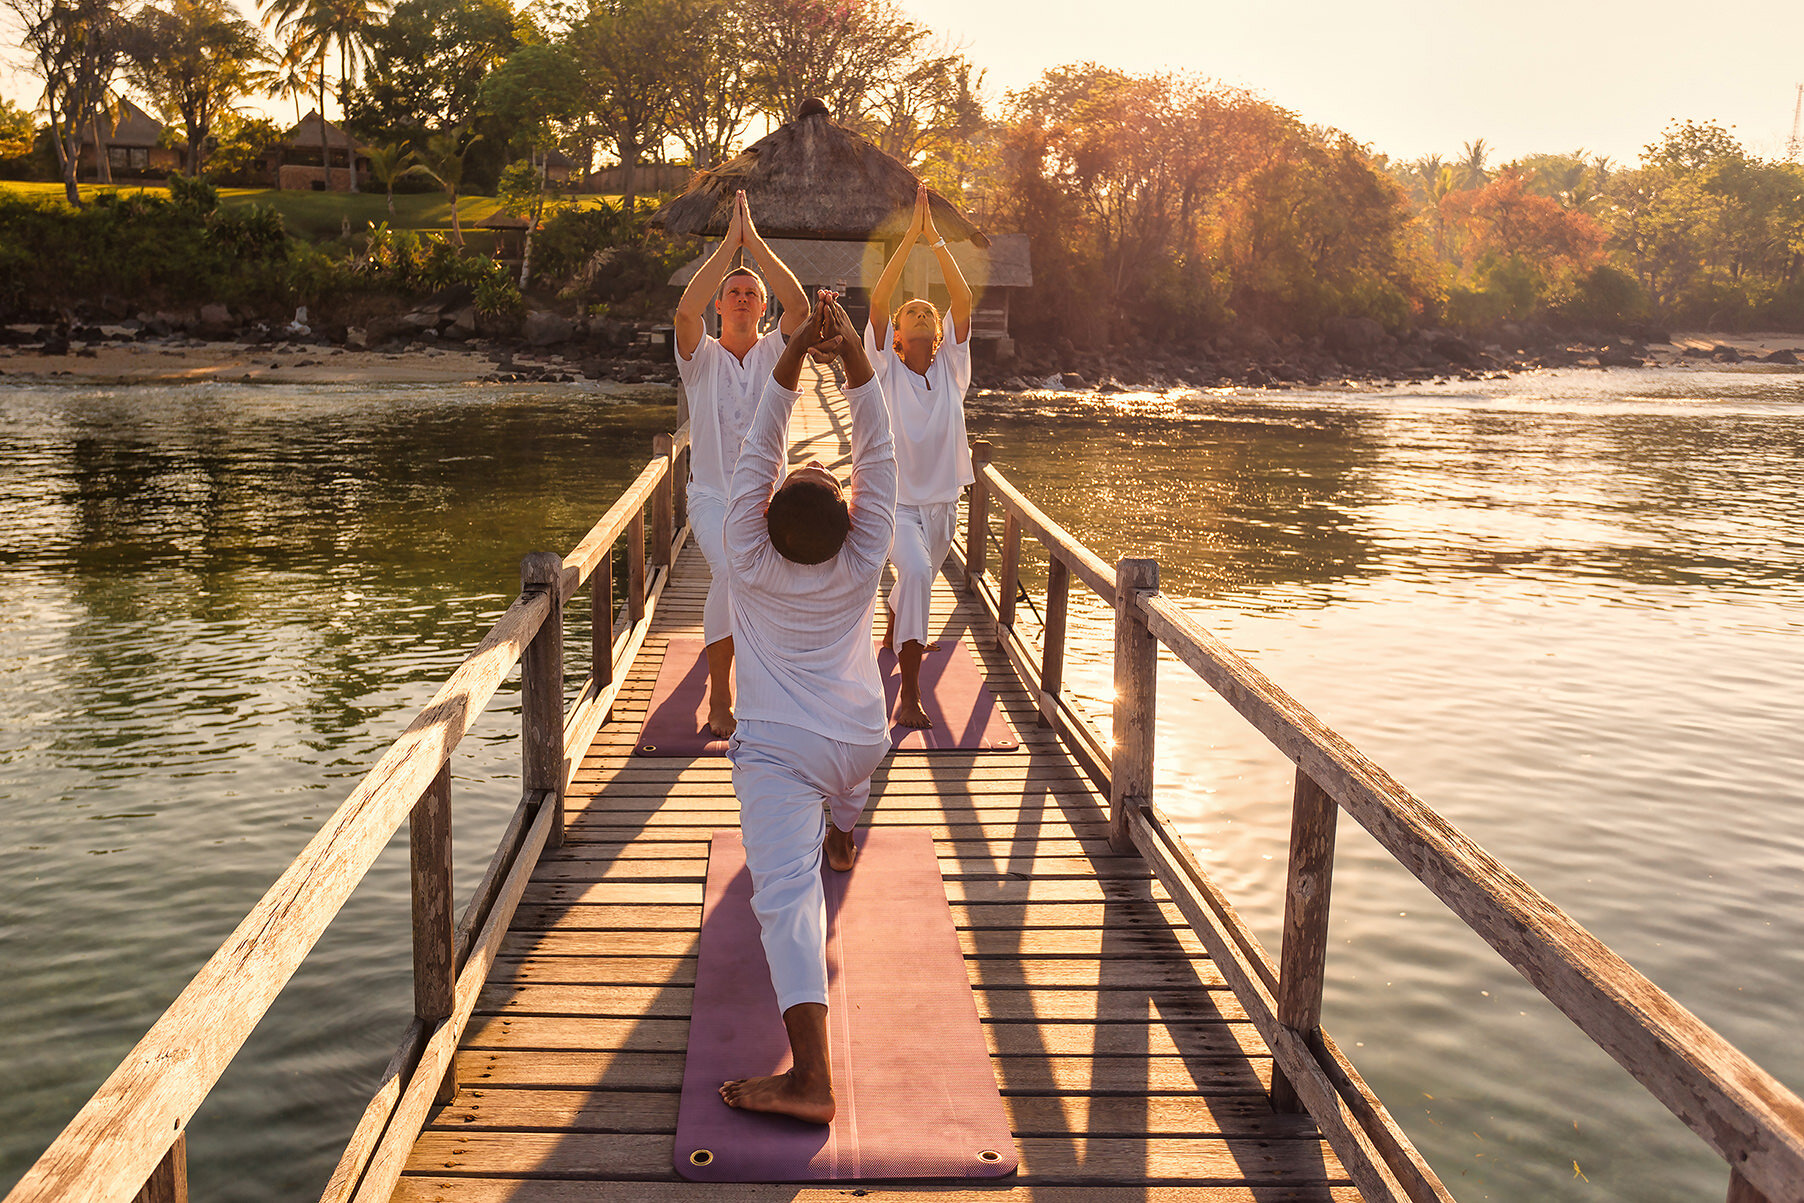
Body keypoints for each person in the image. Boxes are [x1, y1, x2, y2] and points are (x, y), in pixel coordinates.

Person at [716, 292, 896, 1124]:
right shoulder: (864, 558)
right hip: (861, 740)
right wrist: (852, 350)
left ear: (768, 514)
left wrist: (789, 352)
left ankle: (811, 1079)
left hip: (780, 750)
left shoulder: (745, 556)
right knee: (847, 792)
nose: (817, 465)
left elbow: (760, 440)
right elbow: (879, 445)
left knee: (789, 894)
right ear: (849, 513)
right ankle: (845, 823)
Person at [674, 189, 809, 738]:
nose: (743, 297)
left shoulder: (779, 351)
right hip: (710, 497)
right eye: (733, 292)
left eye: (752, 293)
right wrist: (731, 246)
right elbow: (684, 309)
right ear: (720, 306)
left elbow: (799, 310)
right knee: (730, 572)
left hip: (769, 497)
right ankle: (721, 698)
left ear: (762, 307)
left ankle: (768, 684)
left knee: (764, 588)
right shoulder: (699, 357)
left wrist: (757, 246)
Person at [864, 183, 975, 728]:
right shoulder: (885, 369)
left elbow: (963, 300)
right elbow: (880, 302)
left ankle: (895, 619)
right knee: (914, 571)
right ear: (899, 339)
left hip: (942, 505)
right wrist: (911, 238)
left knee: (918, 579)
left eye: (928, 311)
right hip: (896, 504)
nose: (923, 313)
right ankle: (909, 694)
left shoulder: (954, 367)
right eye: (914, 313)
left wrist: (938, 243)